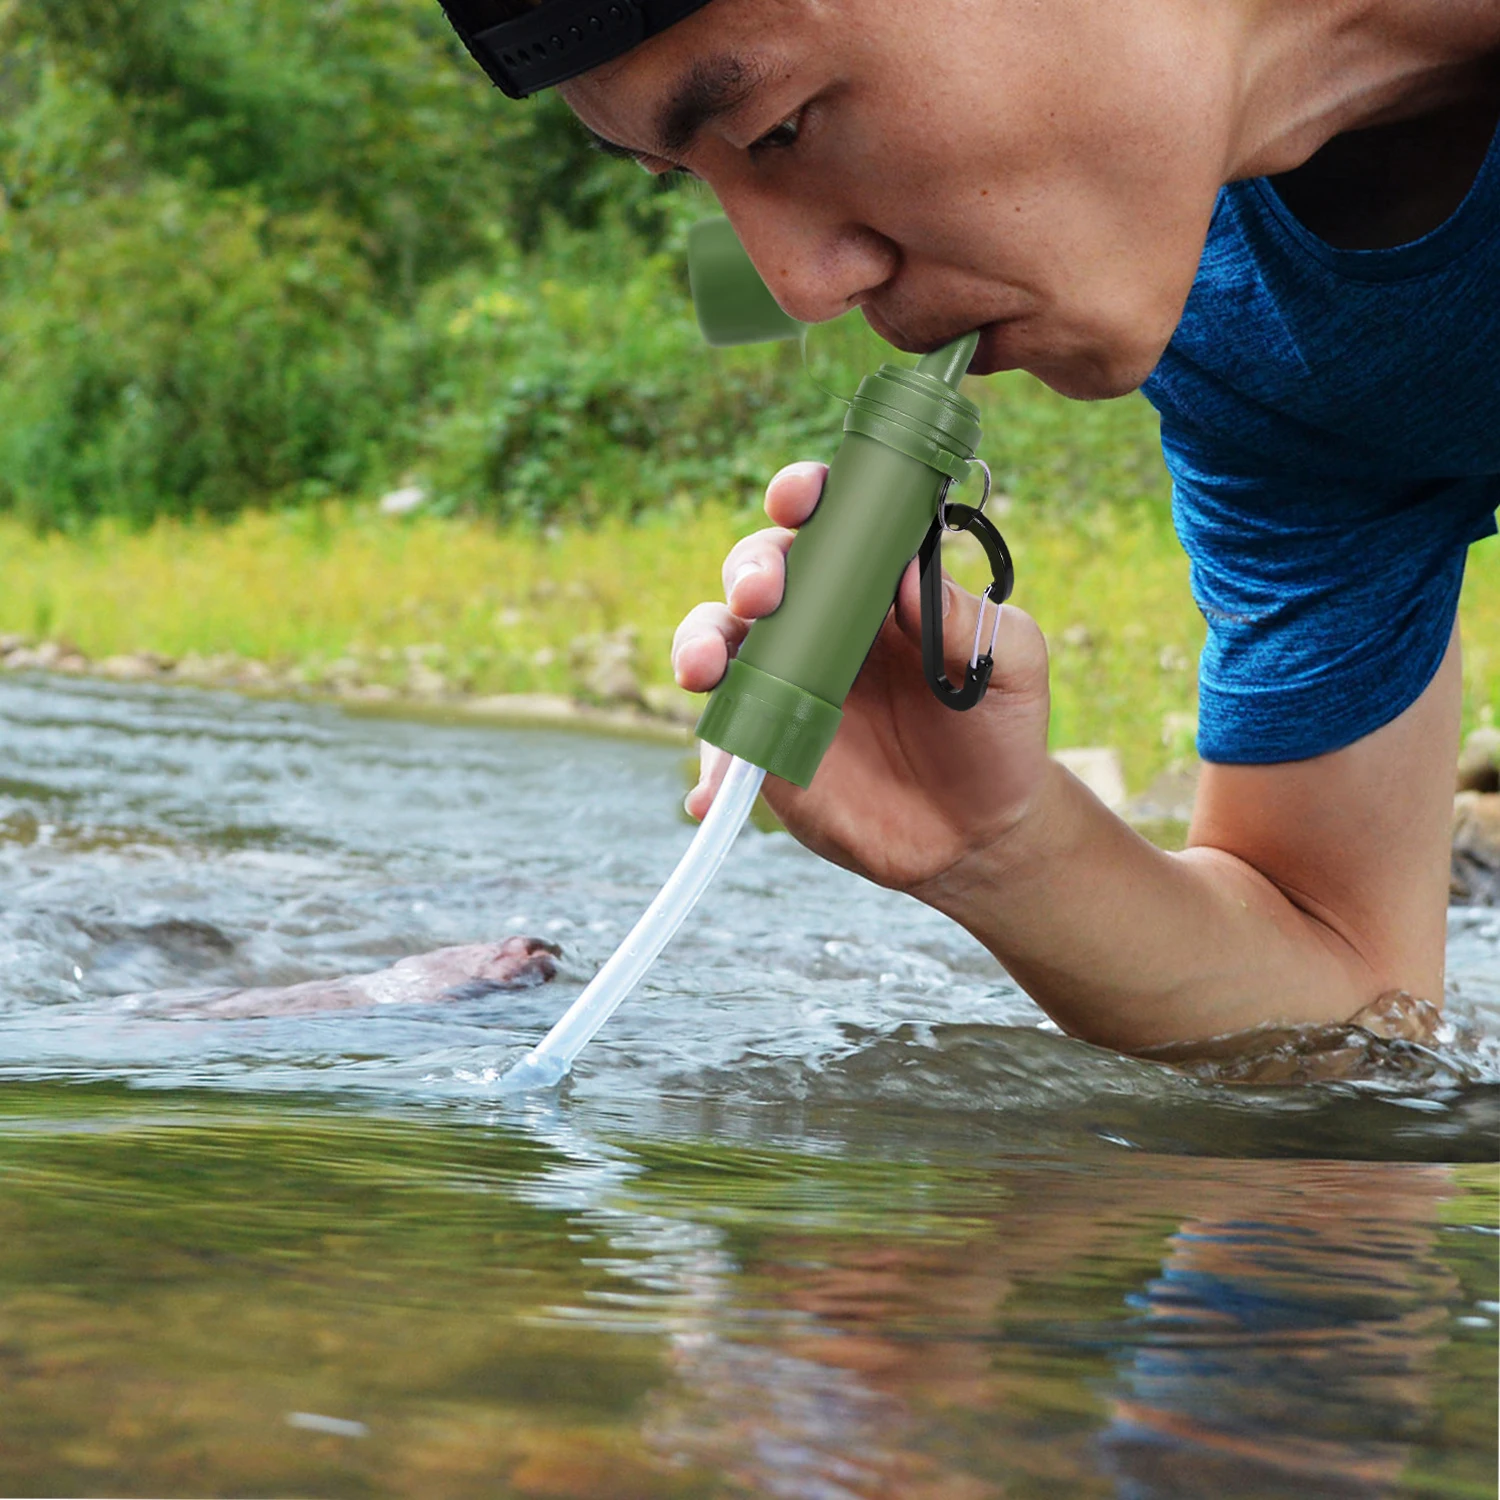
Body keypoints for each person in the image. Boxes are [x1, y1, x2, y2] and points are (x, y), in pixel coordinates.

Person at [439, 0, 1500, 1050]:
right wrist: (1005, 850)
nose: (798, 287)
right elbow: (1360, 1011)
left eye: (780, 127)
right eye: (688, 178)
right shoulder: (1254, 339)